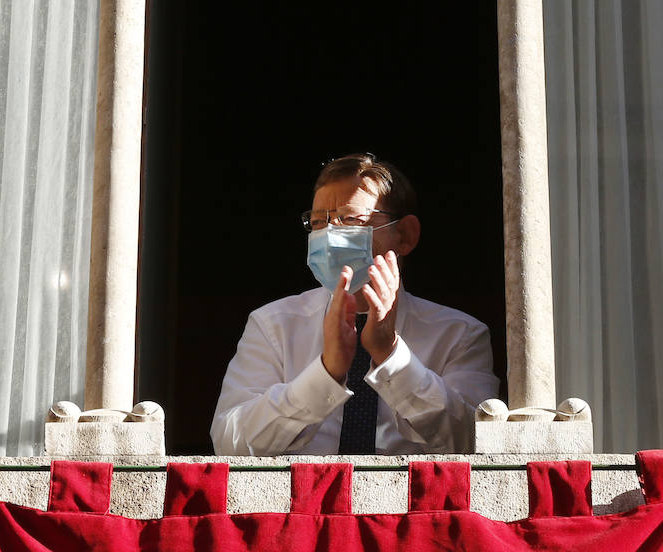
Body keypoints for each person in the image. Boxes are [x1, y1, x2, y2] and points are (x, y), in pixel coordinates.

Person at [210, 154, 499, 456]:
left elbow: (475, 443)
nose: (330, 234)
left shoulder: (461, 335)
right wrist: (326, 373)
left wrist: (390, 357)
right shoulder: (272, 324)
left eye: (351, 220)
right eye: (319, 221)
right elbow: (230, 443)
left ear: (405, 235)